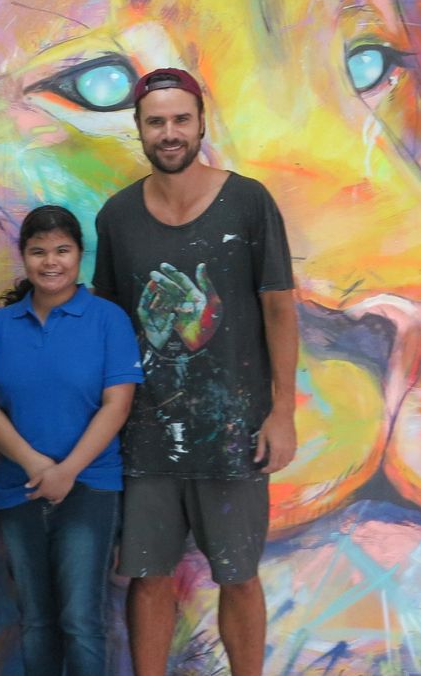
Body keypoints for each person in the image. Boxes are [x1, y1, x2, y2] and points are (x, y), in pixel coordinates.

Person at [95, 68, 299, 676]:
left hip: (235, 433)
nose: (170, 132)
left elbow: (280, 309)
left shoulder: (249, 201)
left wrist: (282, 411)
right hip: (146, 435)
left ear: (202, 122)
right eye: (156, 121)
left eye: (181, 119)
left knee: (239, 576)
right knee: (150, 578)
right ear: (138, 129)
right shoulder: (117, 217)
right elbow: (105, 320)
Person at [0, 205, 143, 676]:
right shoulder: (1, 326)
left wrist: (66, 472)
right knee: (37, 620)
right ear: (23, 257)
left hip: (89, 486)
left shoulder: (108, 320)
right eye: (38, 251)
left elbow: (118, 405)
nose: (51, 262)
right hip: (19, 488)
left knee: (80, 619)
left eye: (62, 250)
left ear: (79, 255)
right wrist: (36, 467)